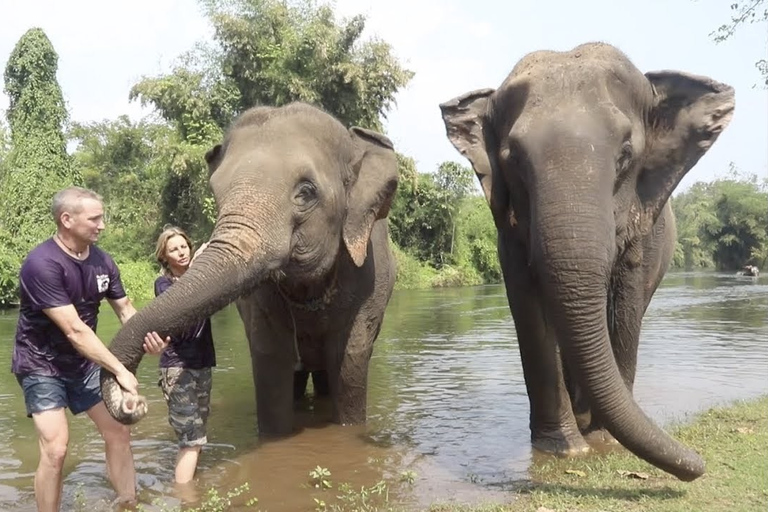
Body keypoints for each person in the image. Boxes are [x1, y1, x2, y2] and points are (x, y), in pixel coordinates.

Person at [11, 186, 168, 511]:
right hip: (41, 365)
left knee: (119, 432)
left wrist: (148, 337)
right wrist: (121, 370)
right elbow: (75, 330)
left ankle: (128, 503)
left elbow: (125, 310)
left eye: (102, 217)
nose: (102, 225)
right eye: (95, 218)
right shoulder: (42, 264)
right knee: (56, 448)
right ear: (66, 219)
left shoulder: (103, 262)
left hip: (84, 366)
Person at [151, 226, 215, 484]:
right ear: (164, 257)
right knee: (191, 439)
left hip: (202, 365)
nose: (181, 253)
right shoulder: (163, 284)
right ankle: (184, 499)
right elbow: (183, 311)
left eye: (183, 247)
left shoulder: (201, 277)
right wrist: (198, 268)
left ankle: (189, 493)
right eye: (173, 250)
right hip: (177, 368)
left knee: (197, 436)